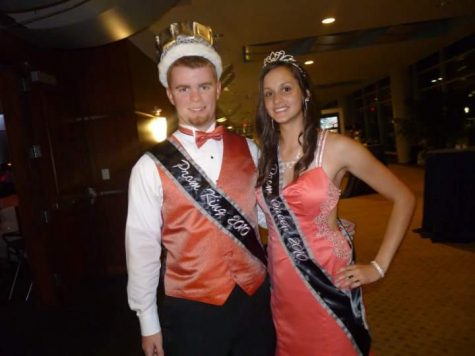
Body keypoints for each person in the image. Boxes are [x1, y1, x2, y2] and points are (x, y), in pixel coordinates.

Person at [125, 22, 275, 356]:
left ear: (219, 88)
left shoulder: (250, 150)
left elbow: (267, 219)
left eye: (204, 86)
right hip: (192, 310)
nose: (195, 99)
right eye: (184, 89)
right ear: (169, 93)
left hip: (255, 300)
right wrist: (147, 321)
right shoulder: (149, 167)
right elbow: (142, 249)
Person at [254, 50, 416, 356]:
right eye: (269, 93)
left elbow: (404, 197)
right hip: (282, 286)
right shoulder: (264, 155)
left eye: (286, 88)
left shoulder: (338, 148)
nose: (277, 99)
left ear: (305, 94)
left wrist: (379, 266)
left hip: (328, 279)